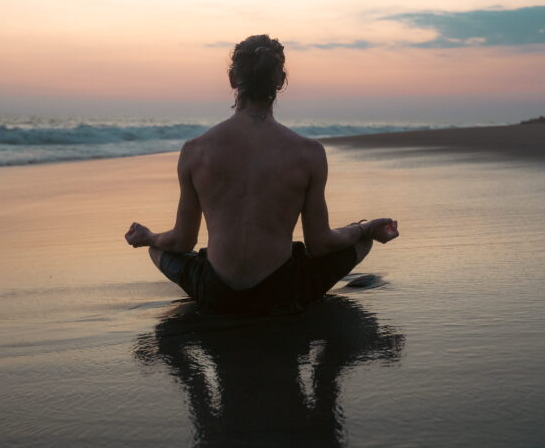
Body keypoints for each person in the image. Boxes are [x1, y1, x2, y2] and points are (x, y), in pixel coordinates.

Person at [124, 34, 399, 315]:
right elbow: (320, 244)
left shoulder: (195, 151)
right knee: (362, 241)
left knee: (158, 250)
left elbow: (182, 242)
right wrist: (364, 227)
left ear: (233, 79)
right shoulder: (308, 152)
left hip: (216, 294)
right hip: (282, 291)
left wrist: (149, 237)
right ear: (280, 82)